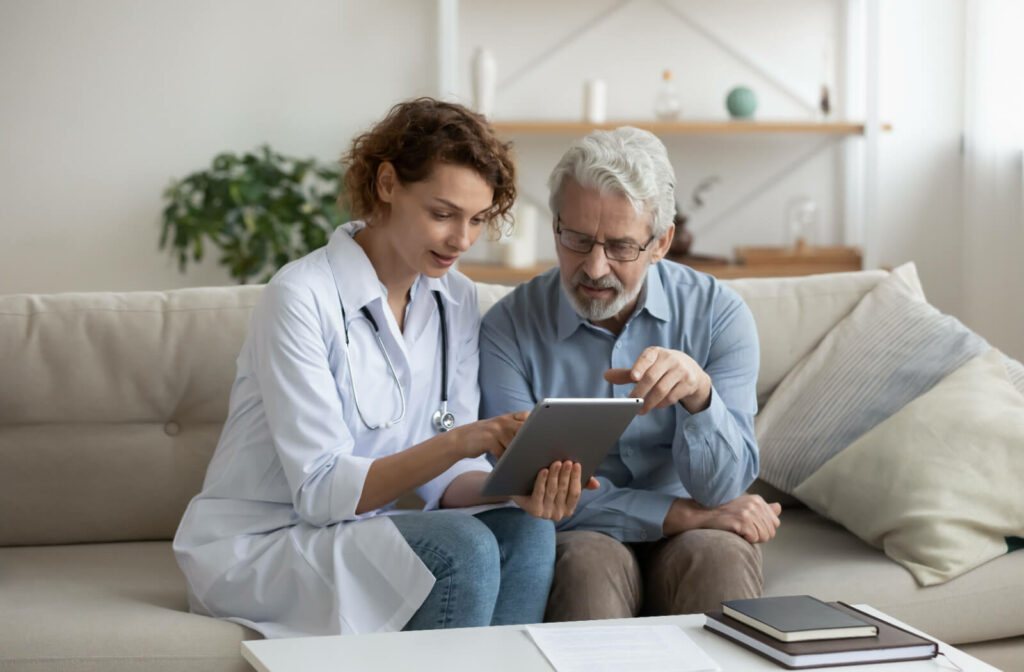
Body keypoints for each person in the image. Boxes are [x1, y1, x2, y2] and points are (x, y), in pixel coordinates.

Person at [174, 98, 594, 638]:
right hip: (268, 540)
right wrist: (469, 438)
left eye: (476, 220)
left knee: (526, 532)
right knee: (460, 548)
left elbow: (443, 481)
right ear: (388, 183)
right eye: (442, 214)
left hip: (363, 531)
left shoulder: (456, 299)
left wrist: (514, 487)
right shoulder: (300, 297)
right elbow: (323, 494)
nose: (461, 241)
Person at [479, 127, 782, 622]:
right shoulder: (508, 327)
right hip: (582, 534)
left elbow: (723, 489)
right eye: (576, 239)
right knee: (586, 568)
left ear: (661, 242)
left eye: (621, 247)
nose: (594, 268)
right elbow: (521, 491)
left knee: (719, 555)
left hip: (697, 532)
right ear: (555, 224)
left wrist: (701, 397)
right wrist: (677, 514)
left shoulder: (719, 314)